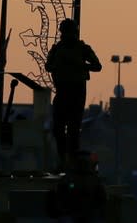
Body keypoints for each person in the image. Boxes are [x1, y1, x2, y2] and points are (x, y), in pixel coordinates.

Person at [45, 18, 102, 167]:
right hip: (62, 92)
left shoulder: (83, 49)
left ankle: (72, 160)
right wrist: (59, 64)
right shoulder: (57, 49)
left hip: (76, 93)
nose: (65, 35)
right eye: (64, 32)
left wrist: (81, 65)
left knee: (73, 130)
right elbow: (48, 66)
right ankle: (62, 158)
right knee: (58, 129)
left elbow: (97, 66)